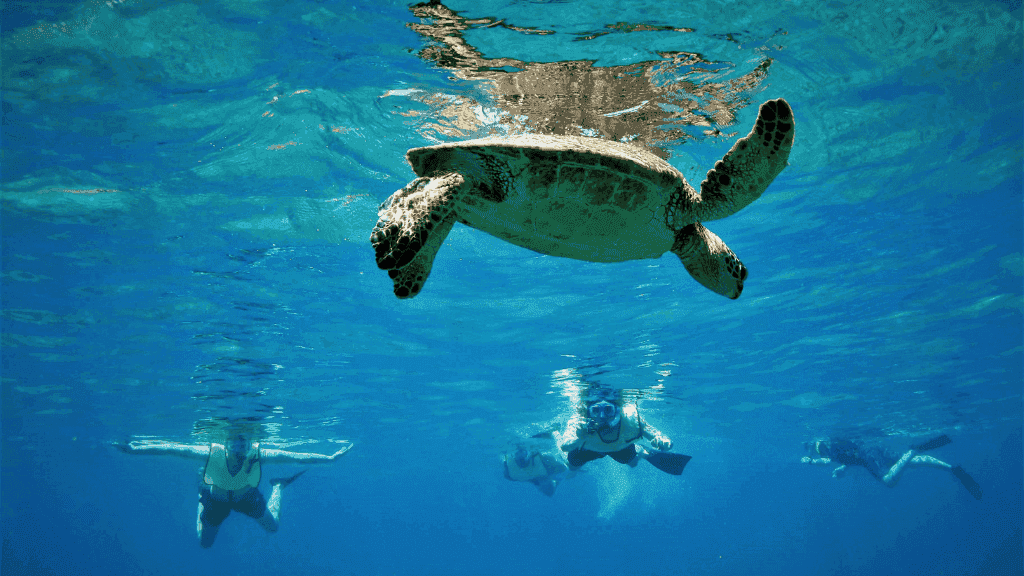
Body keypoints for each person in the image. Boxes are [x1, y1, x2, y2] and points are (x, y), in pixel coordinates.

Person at [115, 433, 354, 547]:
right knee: (205, 543)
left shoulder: (259, 454)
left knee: (273, 528)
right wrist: (136, 448)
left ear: (249, 444)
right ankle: (202, 496)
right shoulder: (211, 452)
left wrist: (329, 458)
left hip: (247, 499)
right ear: (227, 444)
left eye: (244, 445)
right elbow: (172, 448)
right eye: (235, 445)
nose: (240, 451)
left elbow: (295, 456)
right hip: (215, 501)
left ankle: (278, 486)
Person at [802, 434, 982, 500]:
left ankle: (912, 450)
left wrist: (810, 462)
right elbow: (849, 454)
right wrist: (844, 468)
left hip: (868, 455)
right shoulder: (836, 444)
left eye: (819, 451)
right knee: (911, 463)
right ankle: (952, 468)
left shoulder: (828, 449)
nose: (821, 454)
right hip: (873, 447)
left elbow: (829, 459)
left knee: (889, 481)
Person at [558, 390, 691, 475]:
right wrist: (580, 437)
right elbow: (565, 447)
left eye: (608, 410)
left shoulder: (628, 418)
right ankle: (554, 434)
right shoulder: (580, 421)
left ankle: (641, 451)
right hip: (588, 449)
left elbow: (655, 434)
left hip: (619, 446)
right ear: (588, 411)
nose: (602, 416)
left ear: (617, 410)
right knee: (572, 467)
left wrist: (664, 443)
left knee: (633, 464)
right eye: (596, 411)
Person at [502, 433, 574, 496]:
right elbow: (564, 468)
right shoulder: (547, 468)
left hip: (531, 443)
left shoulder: (513, 475)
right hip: (537, 443)